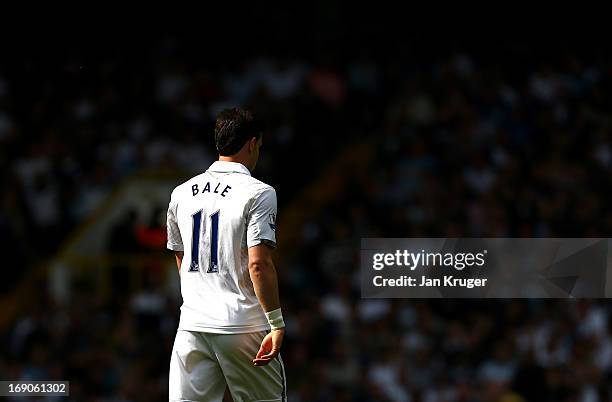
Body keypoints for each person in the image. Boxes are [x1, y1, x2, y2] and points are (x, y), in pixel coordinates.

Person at [166, 108, 286, 401]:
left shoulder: (180, 193)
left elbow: (181, 257)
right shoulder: (259, 193)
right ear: (252, 143)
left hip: (192, 327)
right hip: (243, 326)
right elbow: (258, 264)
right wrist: (276, 322)